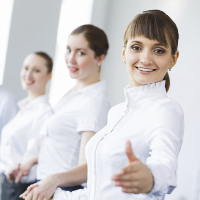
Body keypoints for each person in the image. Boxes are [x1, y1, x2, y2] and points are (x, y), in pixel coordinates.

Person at [33, 9, 183, 200]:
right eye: (136, 47)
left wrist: (151, 178)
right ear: (123, 53)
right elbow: (99, 190)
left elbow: (165, 165)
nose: (145, 58)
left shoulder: (164, 110)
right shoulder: (117, 112)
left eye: (158, 50)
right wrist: (55, 195)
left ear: (173, 58)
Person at [19, 24, 110, 200]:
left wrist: (54, 179)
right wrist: (32, 160)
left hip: (63, 191)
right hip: (46, 187)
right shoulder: (74, 93)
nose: (71, 59)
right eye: (68, 50)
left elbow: (88, 167)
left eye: (81, 52)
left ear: (100, 58)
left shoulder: (93, 102)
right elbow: (66, 145)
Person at [0, 52, 53, 200]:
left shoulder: (44, 113)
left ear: (49, 75)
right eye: (26, 68)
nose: (28, 74)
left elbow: (37, 154)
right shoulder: (22, 108)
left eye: (36, 70)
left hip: (19, 187)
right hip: (6, 184)